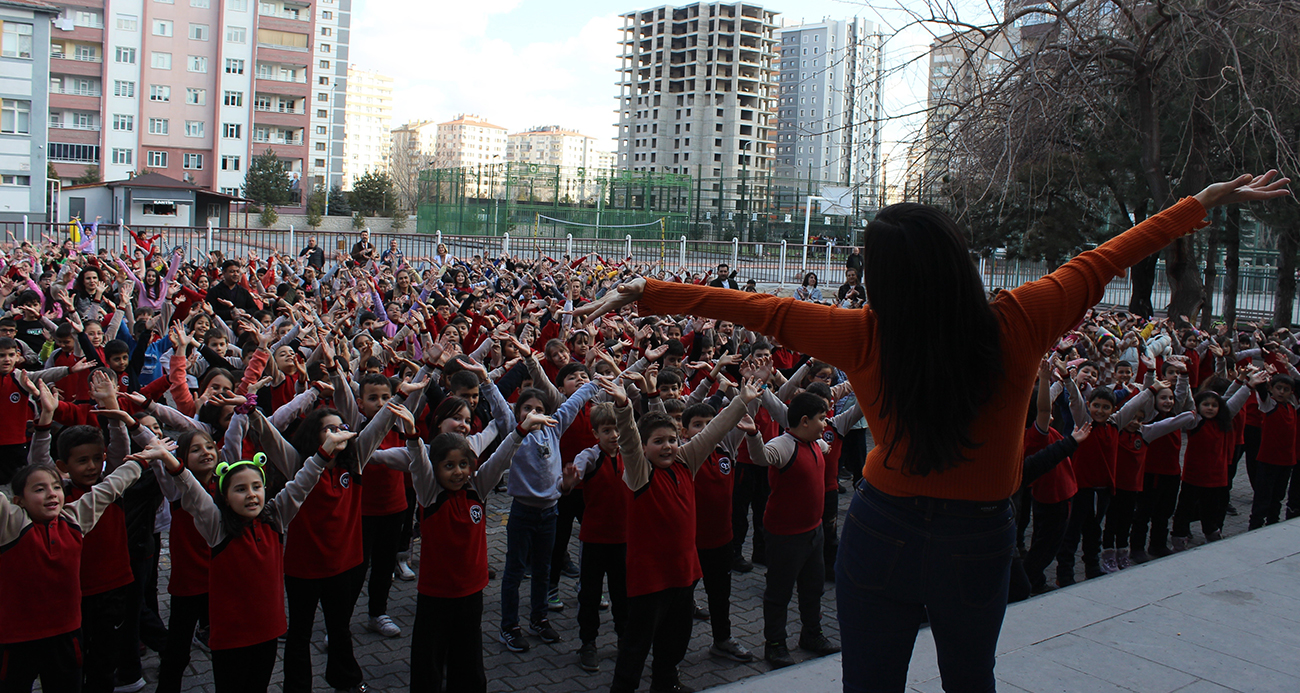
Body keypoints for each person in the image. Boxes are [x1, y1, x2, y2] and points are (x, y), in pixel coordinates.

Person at [572, 171, 1291, 692]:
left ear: (879, 280)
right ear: (955, 258)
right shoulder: (1023, 317)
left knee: (870, 683)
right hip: (977, 538)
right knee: (970, 679)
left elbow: (761, 310)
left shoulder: (862, 333)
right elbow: (1109, 255)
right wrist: (1201, 203)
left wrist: (646, 290)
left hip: (879, 530)